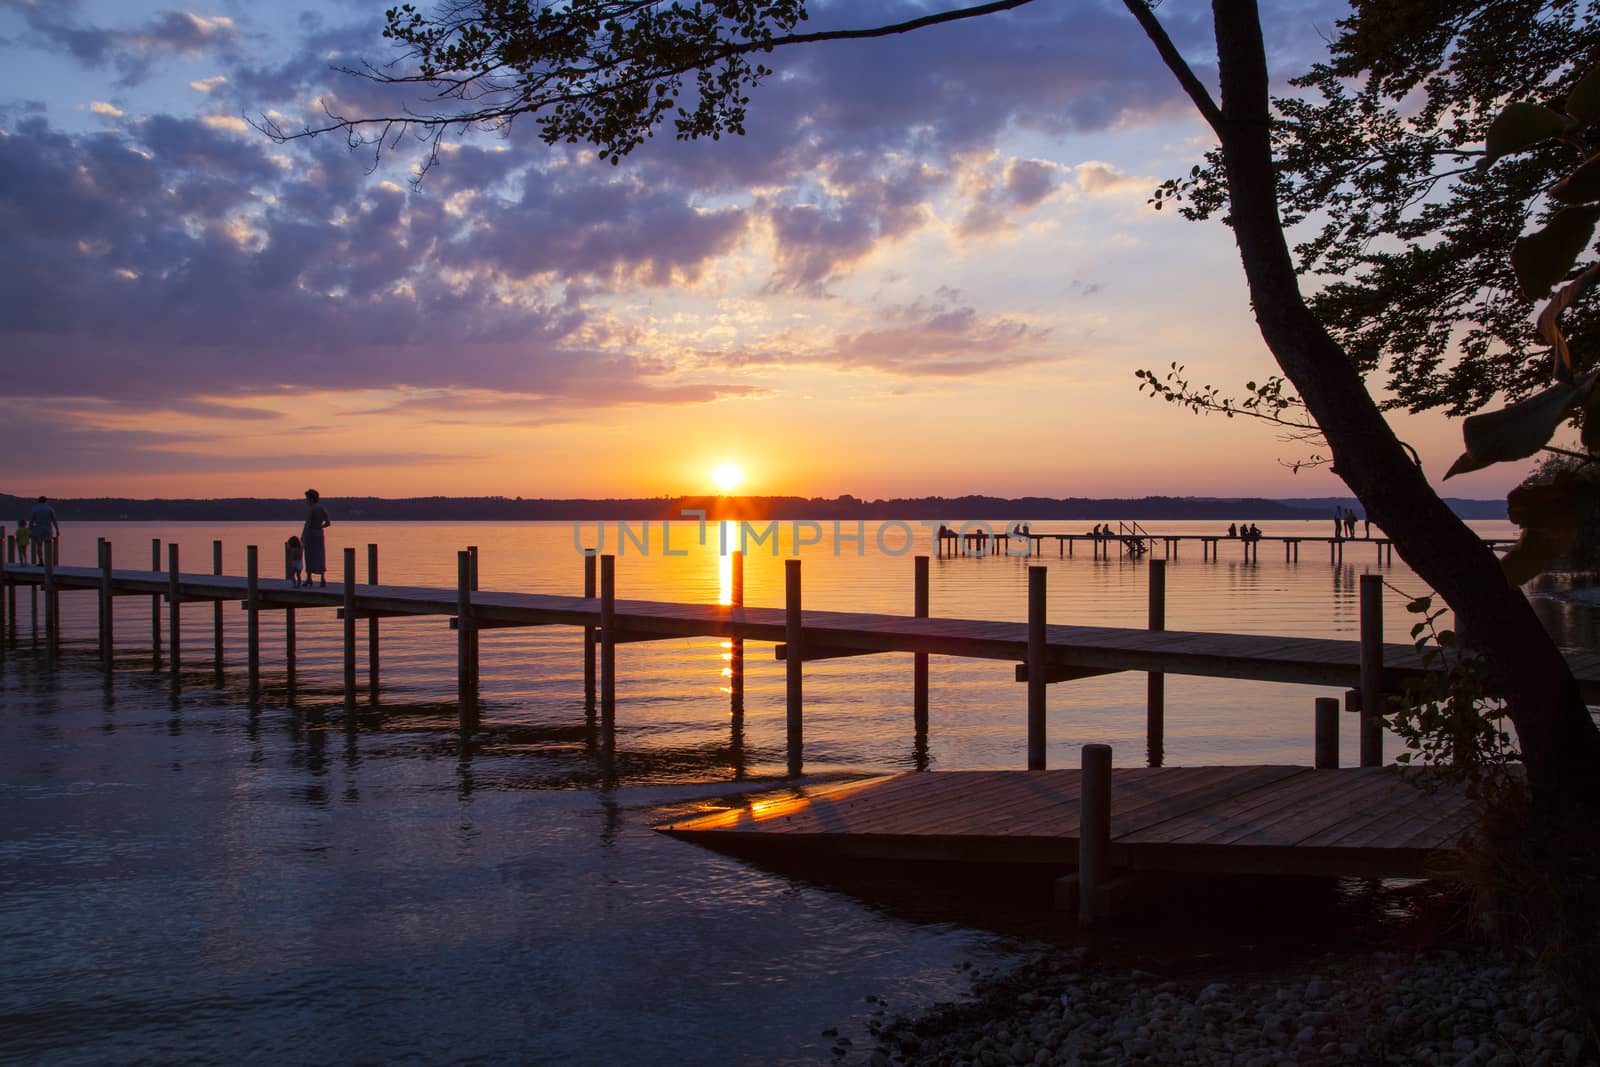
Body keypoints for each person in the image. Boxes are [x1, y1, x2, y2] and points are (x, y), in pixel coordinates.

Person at [301, 489, 331, 587]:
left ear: (311, 499)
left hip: (311, 534)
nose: (306, 501)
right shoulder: (322, 508)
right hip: (319, 534)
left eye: (307, 499)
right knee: (320, 554)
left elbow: (308, 524)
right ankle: (322, 578)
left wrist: (303, 536)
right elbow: (328, 523)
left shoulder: (312, 509)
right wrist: (319, 527)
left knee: (309, 555)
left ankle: (309, 578)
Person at [28, 496, 58, 565]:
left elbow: (31, 521)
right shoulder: (50, 508)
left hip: (38, 528)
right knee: (49, 545)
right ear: (46, 501)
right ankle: (49, 561)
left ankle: (41, 561)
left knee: (39, 545)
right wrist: (57, 529)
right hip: (48, 528)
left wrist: (29, 530)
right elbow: (54, 520)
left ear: (39, 501)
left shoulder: (35, 509)